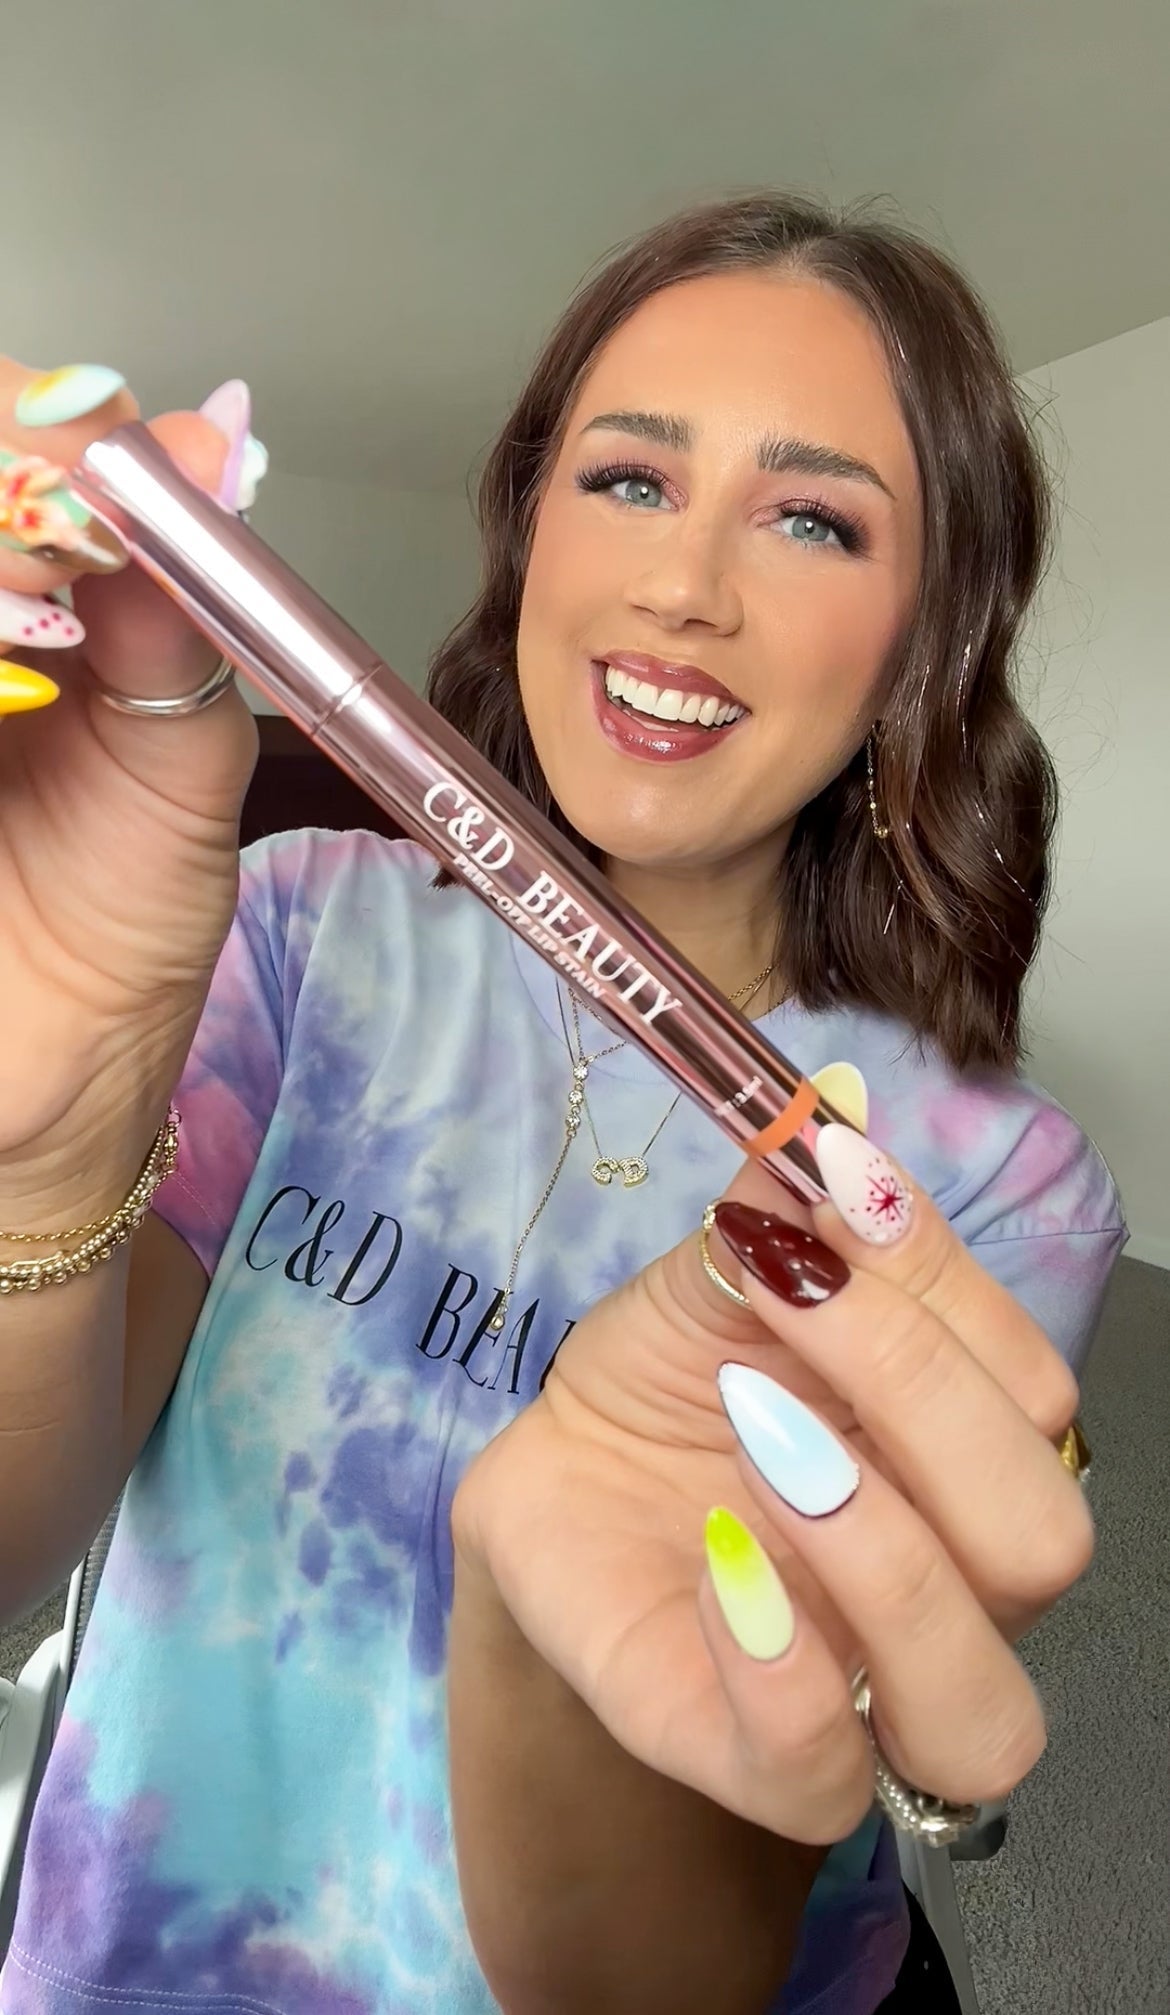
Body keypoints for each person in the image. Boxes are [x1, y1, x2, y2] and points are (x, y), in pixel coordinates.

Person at [0, 191, 1123, 2015]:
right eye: (627, 480)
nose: (683, 587)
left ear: (927, 634)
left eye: (814, 518)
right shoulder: (293, 932)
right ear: (531, 525)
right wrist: (43, 1162)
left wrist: (540, 1642)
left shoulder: (985, 1188)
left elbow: (664, 1974)